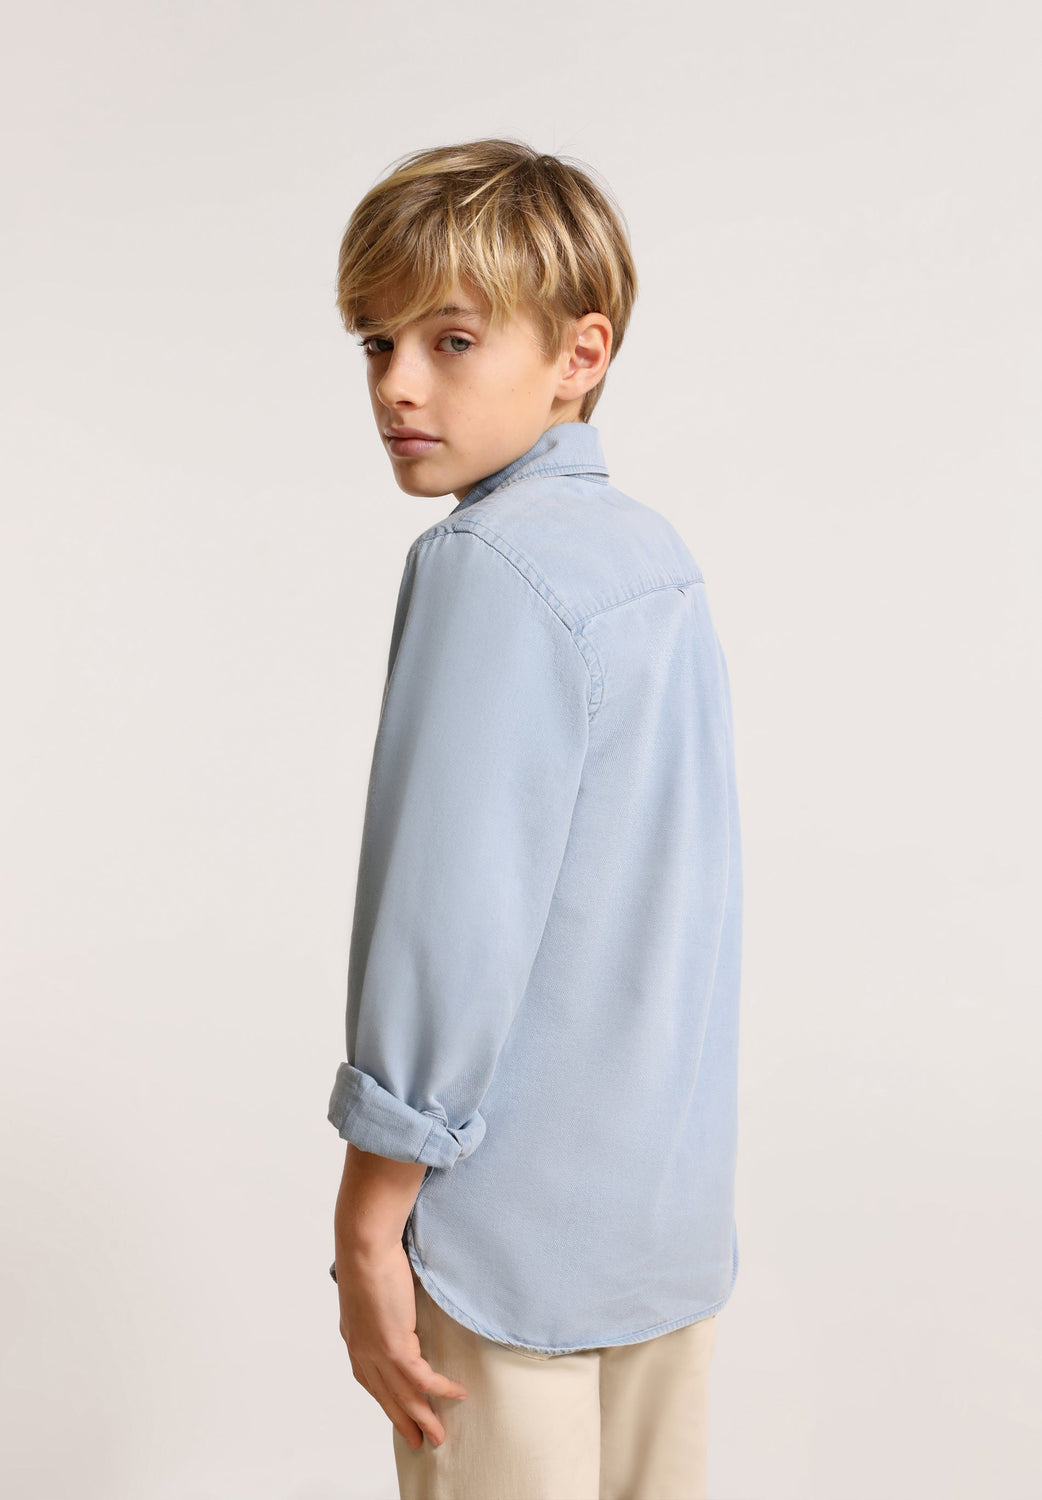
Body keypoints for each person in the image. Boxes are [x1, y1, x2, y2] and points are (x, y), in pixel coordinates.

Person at [326, 137, 743, 1500]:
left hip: (501, 1248)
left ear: (579, 353)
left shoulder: (483, 564)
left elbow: (449, 922)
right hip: (658, 1229)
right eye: (377, 341)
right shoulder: (653, 558)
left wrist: (371, 1213)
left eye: (450, 340)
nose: (397, 383)